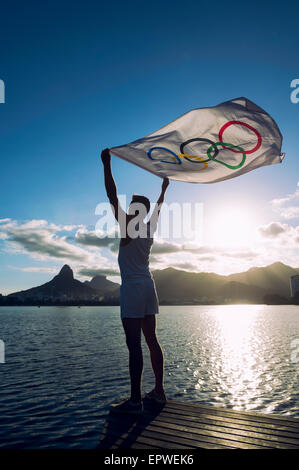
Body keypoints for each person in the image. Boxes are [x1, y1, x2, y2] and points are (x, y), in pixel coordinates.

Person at [101, 148, 169, 415]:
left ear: (134, 209)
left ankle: (135, 401)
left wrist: (107, 164)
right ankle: (159, 392)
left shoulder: (127, 225)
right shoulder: (149, 227)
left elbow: (110, 194)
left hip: (132, 288)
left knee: (134, 346)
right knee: (151, 339)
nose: (127, 208)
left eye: (130, 205)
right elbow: (160, 207)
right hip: (149, 287)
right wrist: (164, 190)